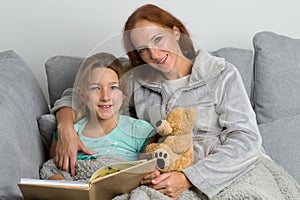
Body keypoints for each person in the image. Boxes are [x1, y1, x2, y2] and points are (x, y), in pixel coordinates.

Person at [51, 4, 300, 199]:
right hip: (164, 172)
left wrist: (189, 177)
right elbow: (79, 92)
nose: (154, 54)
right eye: (142, 50)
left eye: (158, 40)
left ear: (175, 31)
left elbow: (247, 139)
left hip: (226, 169)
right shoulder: (137, 80)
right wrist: (66, 127)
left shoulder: (220, 73)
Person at [41, 52, 156, 181]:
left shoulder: (141, 131)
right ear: (82, 95)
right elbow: (53, 169)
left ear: (124, 93)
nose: (105, 97)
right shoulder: (70, 134)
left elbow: (148, 172)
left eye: (113, 87)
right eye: (96, 88)